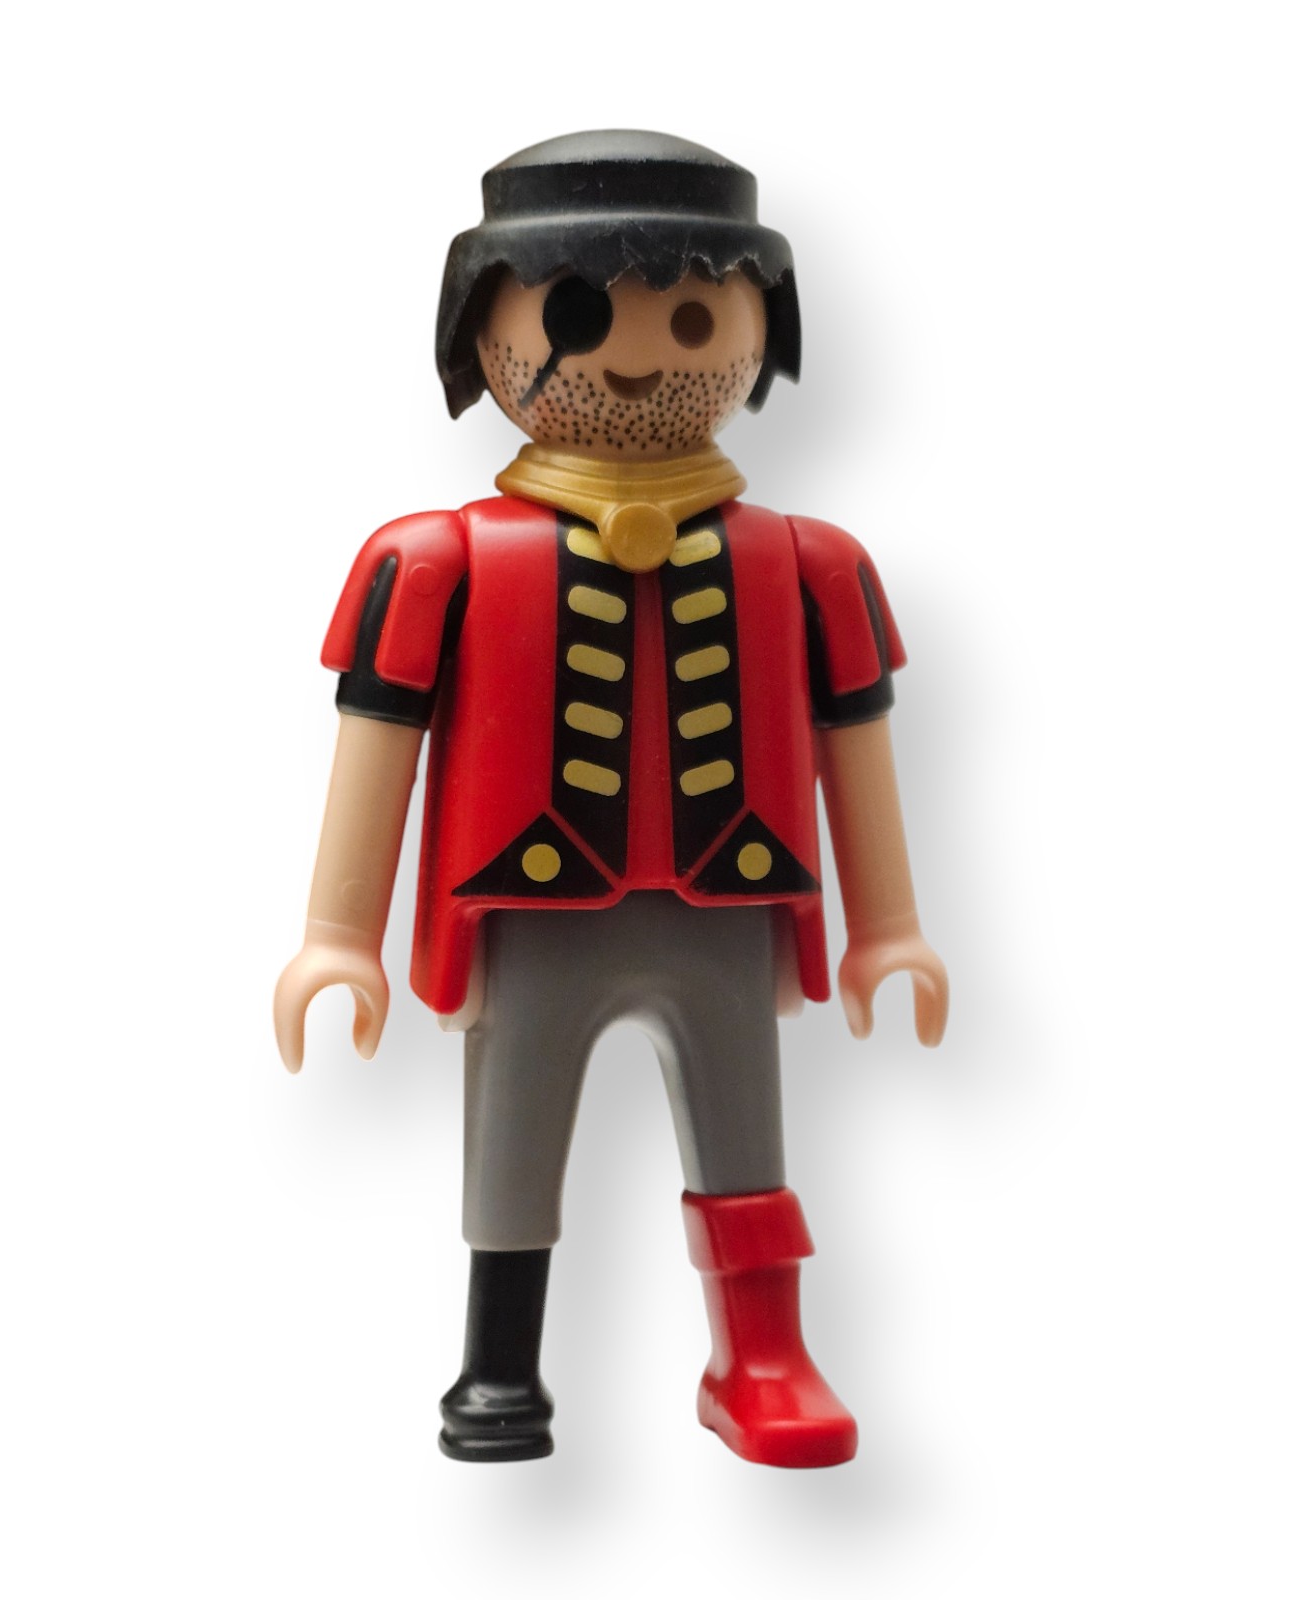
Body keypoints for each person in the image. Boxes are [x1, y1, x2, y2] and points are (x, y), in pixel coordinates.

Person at [274, 130, 948, 1468]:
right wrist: (335, 937)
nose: (638, 354)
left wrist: (889, 928)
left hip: (728, 899)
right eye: (577, 313)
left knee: (747, 1137)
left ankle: (760, 1356)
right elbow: (378, 744)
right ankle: (500, 1368)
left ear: (761, 332)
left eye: (693, 316)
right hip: (531, 903)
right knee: (514, 1139)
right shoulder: (435, 559)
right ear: (480, 332)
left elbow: (855, 743)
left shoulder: (811, 563)